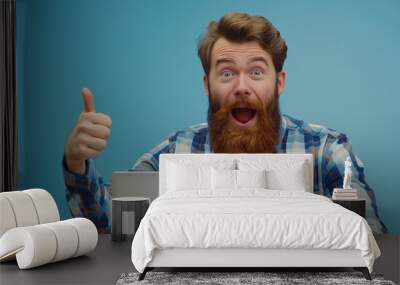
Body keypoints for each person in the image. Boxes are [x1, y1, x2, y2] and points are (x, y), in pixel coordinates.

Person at [63, 12, 387, 234]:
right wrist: (77, 164)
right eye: (227, 73)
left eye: (257, 72)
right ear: (208, 85)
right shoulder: (177, 150)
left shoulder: (328, 150)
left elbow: (371, 239)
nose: (242, 86)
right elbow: (113, 224)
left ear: (279, 83)